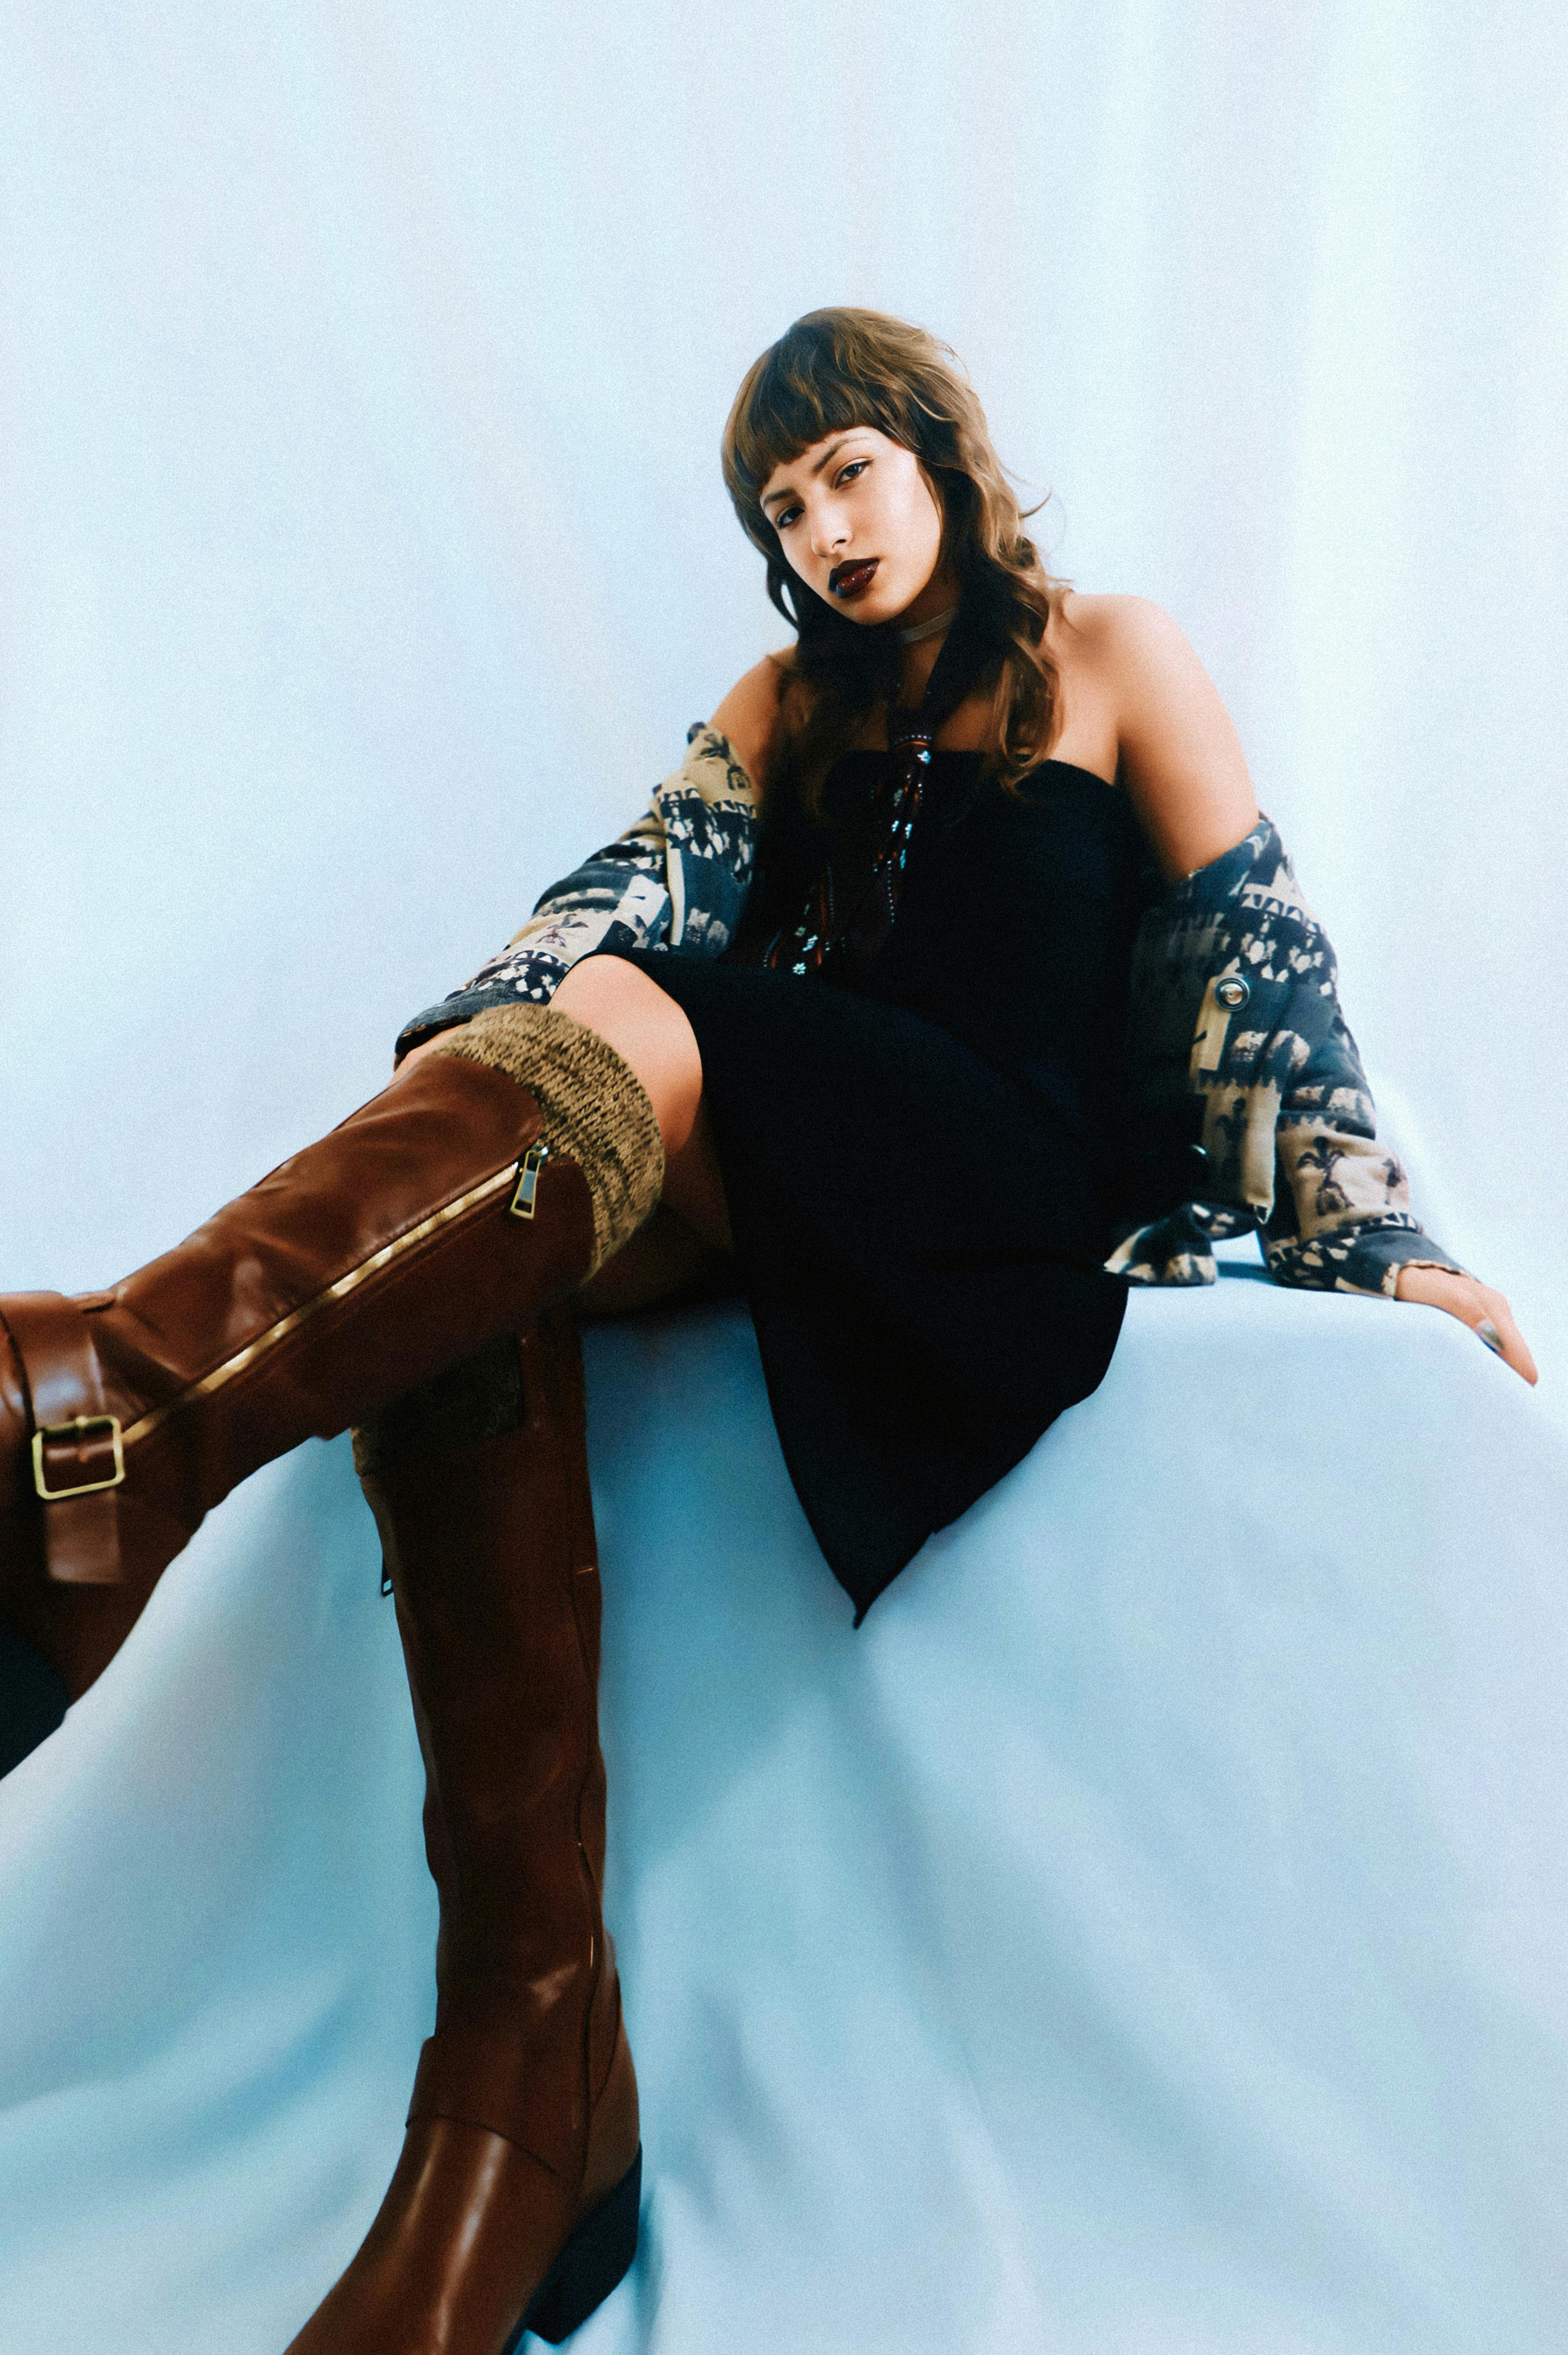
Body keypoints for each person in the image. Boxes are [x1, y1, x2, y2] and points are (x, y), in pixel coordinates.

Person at [0, 307, 1536, 2354]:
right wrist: (486, 1049)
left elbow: (1261, 957)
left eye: (845, 471)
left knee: (629, 1026)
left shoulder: (1111, 657)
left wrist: (1378, 1236)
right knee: (495, 1220)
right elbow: (628, 895)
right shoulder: (790, 707)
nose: (821, 525)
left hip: (998, 1189)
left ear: (935, 449)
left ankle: (114, 1407)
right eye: (780, 504)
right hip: (813, 1162)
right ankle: (518, 2097)